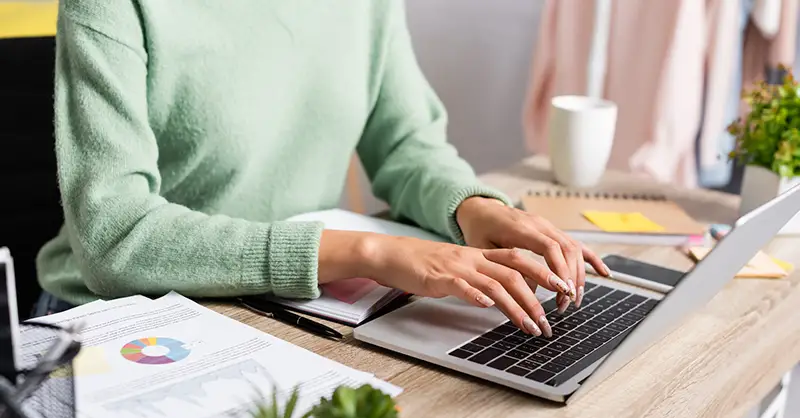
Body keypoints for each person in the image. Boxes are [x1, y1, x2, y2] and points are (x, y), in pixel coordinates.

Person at [36, 0, 610, 336]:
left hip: (293, 311)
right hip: (120, 319)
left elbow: (408, 143)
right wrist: (369, 252)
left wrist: (473, 207)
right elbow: (116, 239)